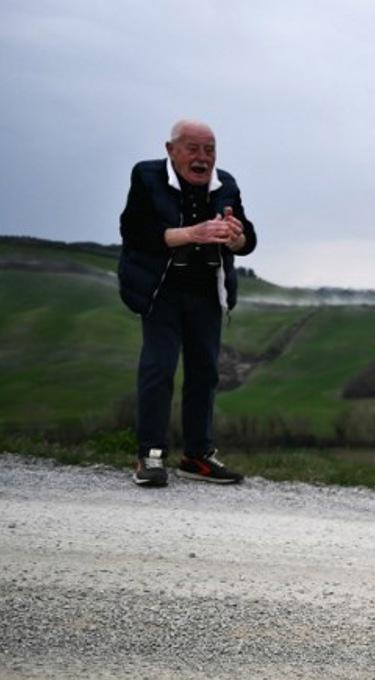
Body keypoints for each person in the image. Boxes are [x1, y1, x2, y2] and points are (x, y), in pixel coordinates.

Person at [119, 120, 256, 487]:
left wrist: (236, 238)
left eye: (209, 149)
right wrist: (191, 234)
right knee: (159, 368)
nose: (203, 158)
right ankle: (150, 456)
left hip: (207, 292)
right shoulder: (147, 177)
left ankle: (198, 456)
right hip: (161, 289)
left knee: (205, 373)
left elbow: (248, 239)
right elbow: (135, 232)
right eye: (193, 149)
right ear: (171, 150)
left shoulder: (226, 184)